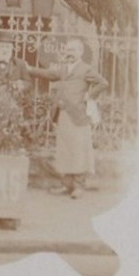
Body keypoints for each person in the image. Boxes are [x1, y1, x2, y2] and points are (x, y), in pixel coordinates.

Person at [40, 36, 108, 199]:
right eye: (67, 49)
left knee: (79, 149)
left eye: (73, 50)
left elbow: (103, 83)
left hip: (78, 115)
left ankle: (79, 186)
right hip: (63, 113)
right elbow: (49, 74)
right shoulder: (64, 68)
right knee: (65, 149)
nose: (69, 53)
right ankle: (67, 185)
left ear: (80, 51)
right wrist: (28, 69)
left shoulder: (85, 69)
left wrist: (89, 95)